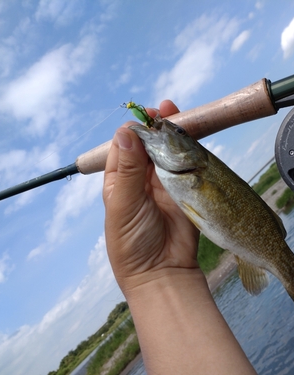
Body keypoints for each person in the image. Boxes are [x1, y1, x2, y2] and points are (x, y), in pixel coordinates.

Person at [103, 100, 258, 375]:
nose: (172, 130)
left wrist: (154, 275)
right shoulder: (182, 171)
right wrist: (157, 272)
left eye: (180, 134)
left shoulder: (193, 169)